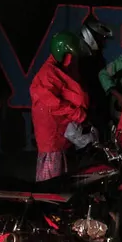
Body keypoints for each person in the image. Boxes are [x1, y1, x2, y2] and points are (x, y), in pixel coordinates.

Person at [30, 32, 89, 181]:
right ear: (65, 55)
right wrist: (78, 114)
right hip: (52, 142)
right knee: (53, 186)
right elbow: (54, 105)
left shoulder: (56, 70)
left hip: (60, 140)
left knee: (65, 181)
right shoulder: (48, 75)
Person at [76, 16, 113, 133]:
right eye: (101, 39)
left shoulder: (97, 57)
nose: (103, 43)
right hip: (87, 112)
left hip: (98, 110)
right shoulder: (81, 59)